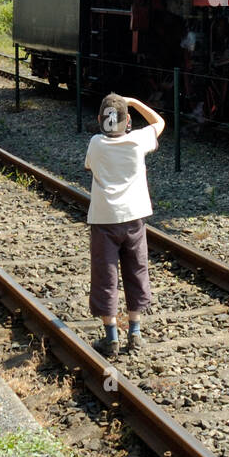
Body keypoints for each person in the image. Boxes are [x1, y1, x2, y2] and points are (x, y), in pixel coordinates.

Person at [85, 93, 164, 357]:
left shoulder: (95, 143)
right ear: (127, 121)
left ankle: (111, 339)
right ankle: (135, 333)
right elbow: (159, 123)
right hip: (134, 219)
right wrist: (136, 102)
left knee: (106, 277)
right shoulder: (138, 140)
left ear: (100, 120)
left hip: (104, 220)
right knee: (136, 271)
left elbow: (89, 167)